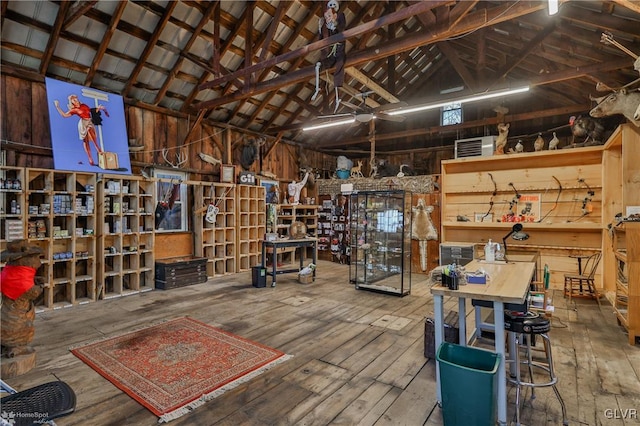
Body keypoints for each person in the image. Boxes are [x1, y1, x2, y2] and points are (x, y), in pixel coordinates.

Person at [54, 94, 107, 166]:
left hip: (89, 121)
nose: (76, 100)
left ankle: (98, 149)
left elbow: (90, 112)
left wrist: (99, 108)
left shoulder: (84, 105)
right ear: (72, 102)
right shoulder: (74, 110)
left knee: (92, 133)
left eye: (76, 99)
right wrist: (58, 107)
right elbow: (64, 115)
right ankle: (90, 158)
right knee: (85, 140)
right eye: (73, 100)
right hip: (83, 123)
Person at [311, 0, 346, 109]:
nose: (332, 7)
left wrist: (334, 25)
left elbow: (342, 28)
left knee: (340, 64)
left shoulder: (340, 16)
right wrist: (321, 29)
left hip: (339, 49)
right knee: (319, 65)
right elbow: (322, 38)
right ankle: (317, 89)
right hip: (330, 52)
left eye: (334, 5)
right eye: (330, 5)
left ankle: (337, 95)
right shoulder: (325, 22)